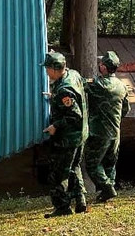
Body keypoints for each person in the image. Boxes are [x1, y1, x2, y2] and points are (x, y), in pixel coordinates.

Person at [43, 52, 89, 217]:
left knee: (59, 172)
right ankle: (81, 200)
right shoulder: (73, 74)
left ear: (56, 69)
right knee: (74, 167)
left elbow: (74, 115)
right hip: (81, 134)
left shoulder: (64, 90)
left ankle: (62, 207)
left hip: (69, 137)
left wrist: (56, 125)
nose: (47, 72)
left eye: (48, 68)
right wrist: (55, 96)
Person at [84, 51, 130, 203]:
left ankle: (108, 188)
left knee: (92, 164)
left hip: (99, 132)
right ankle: (107, 193)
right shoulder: (122, 86)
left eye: (101, 63)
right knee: (110, 164)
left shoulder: (97, 84)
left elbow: (80, 84)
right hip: (115, 132)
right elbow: (125, 110)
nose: (99, 65)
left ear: (104, 67)